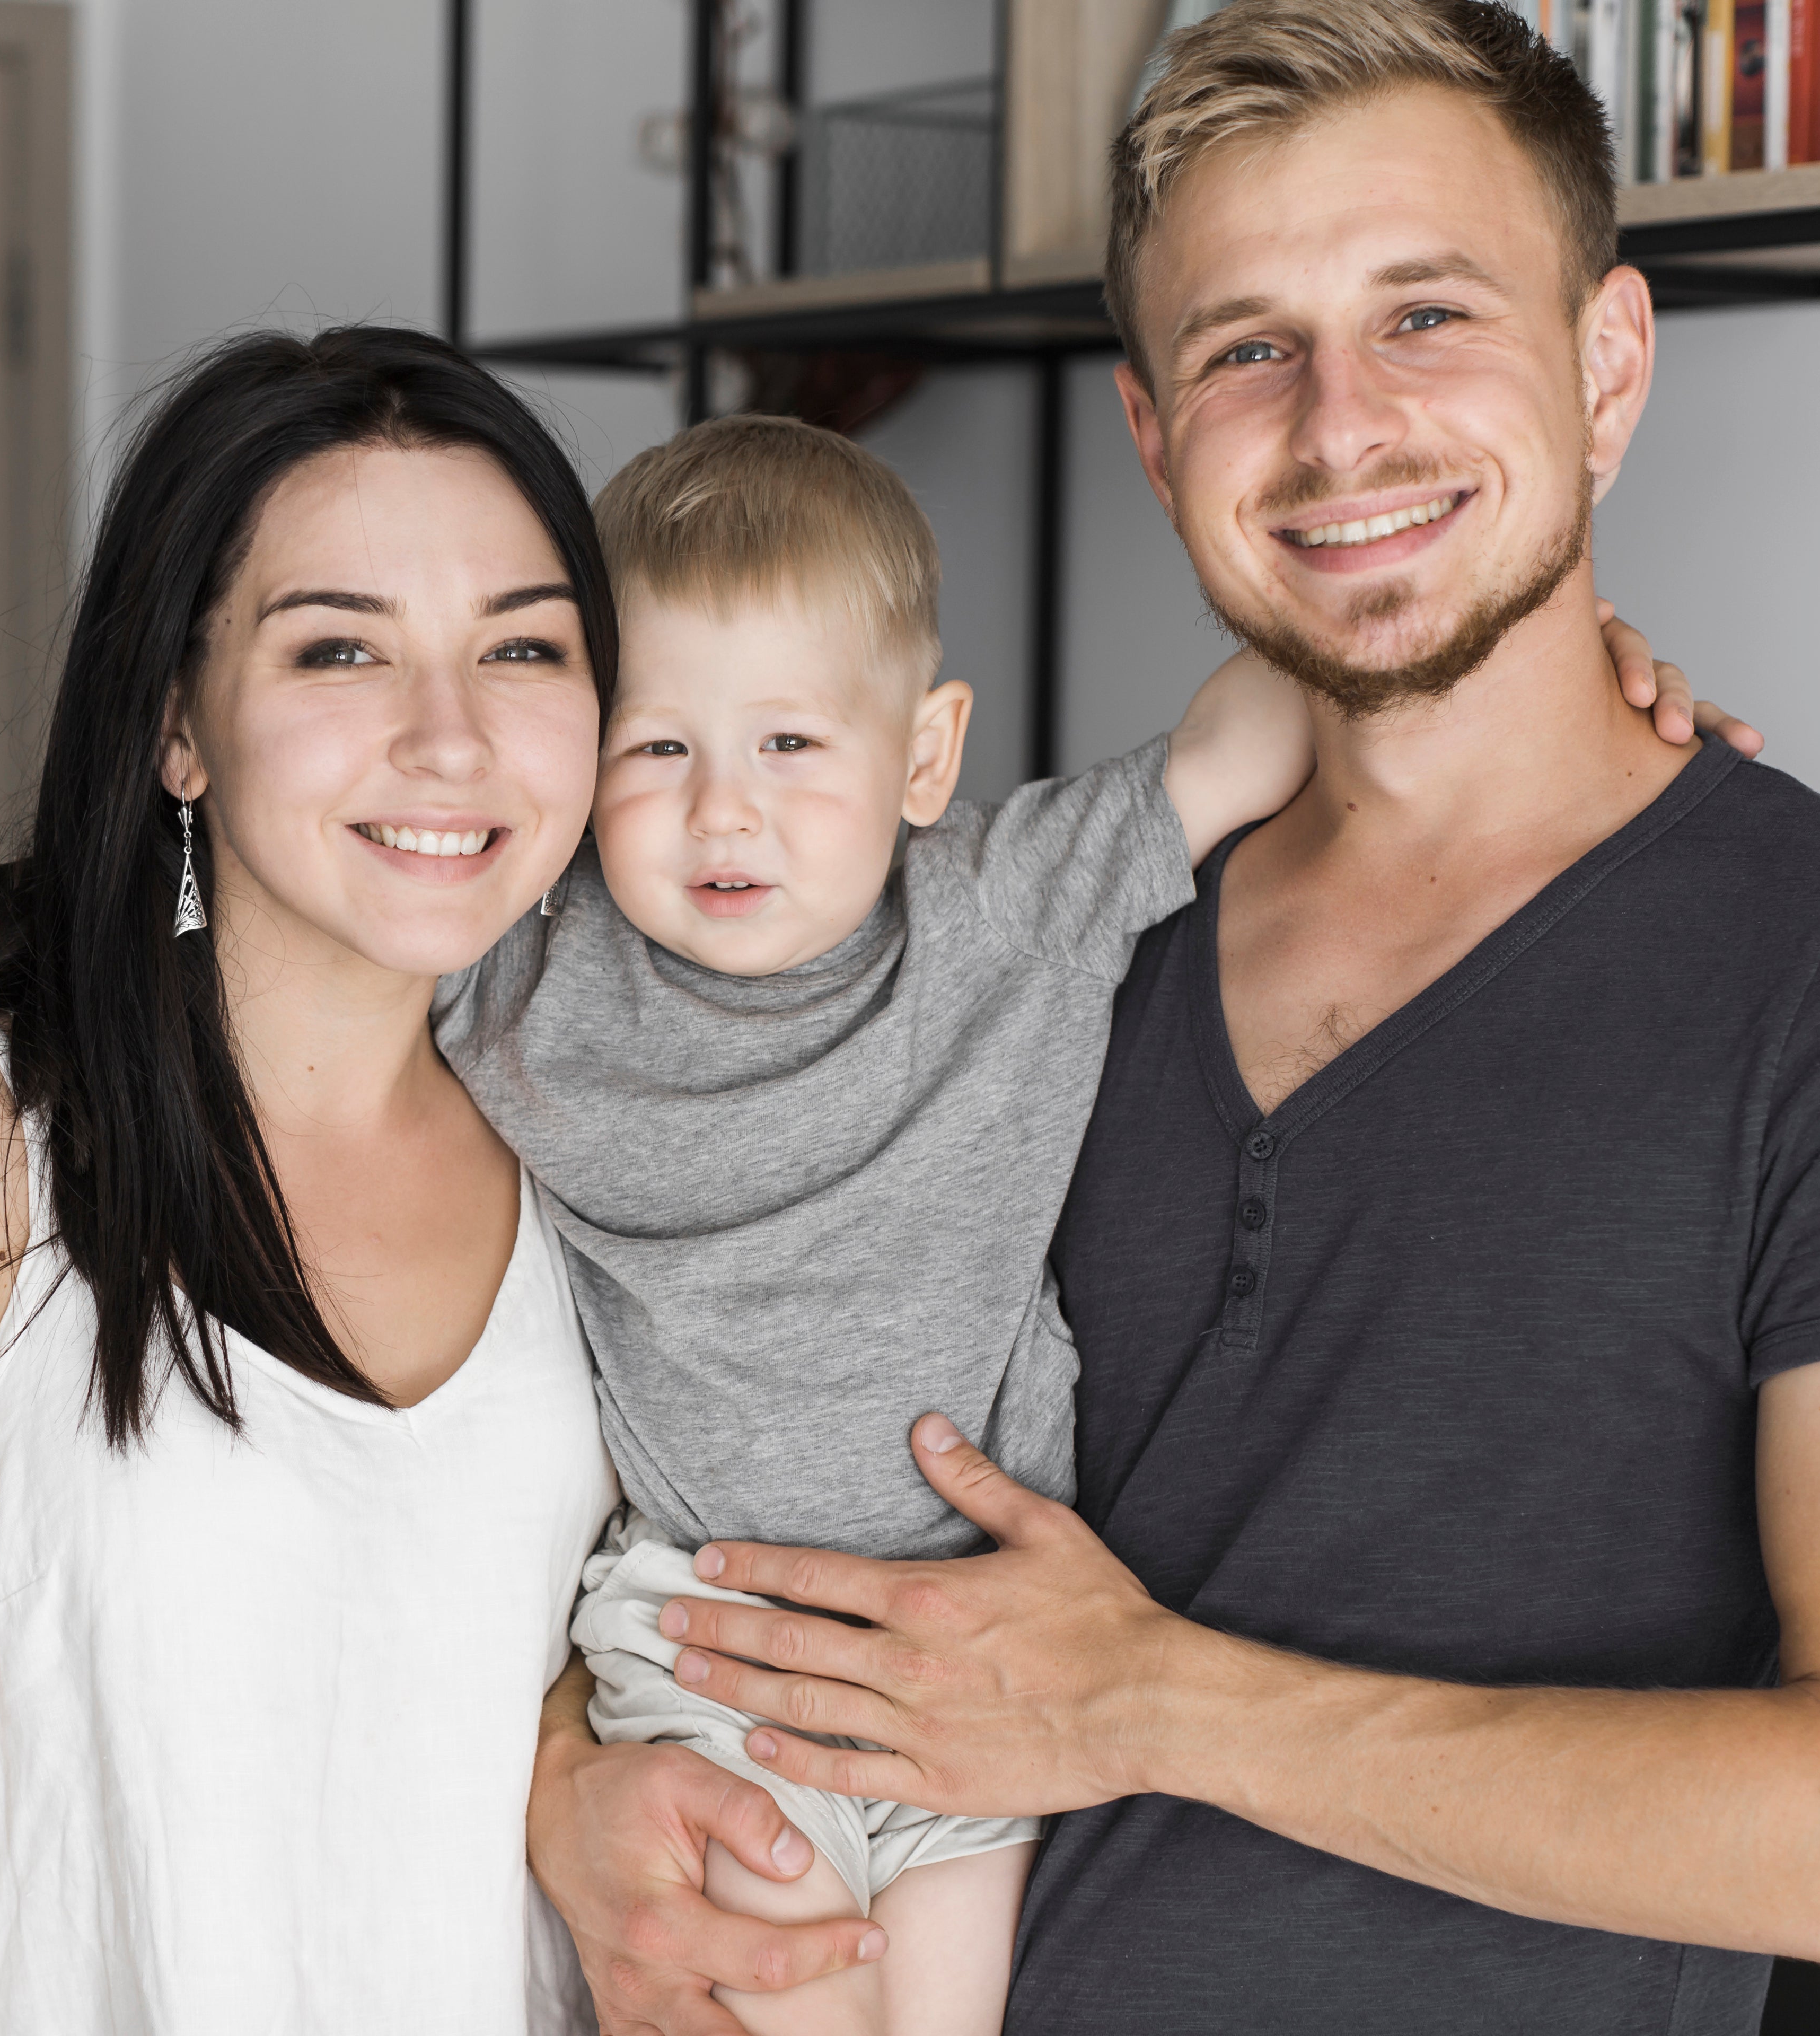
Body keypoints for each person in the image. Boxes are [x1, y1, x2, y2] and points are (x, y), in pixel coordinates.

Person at [529, 4, 1820, 2034]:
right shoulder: (1019, 946)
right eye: (1246, 347)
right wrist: (564, 1790)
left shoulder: (1799, 967)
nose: (1338, 426)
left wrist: (1159, 1707)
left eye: (1426, 315)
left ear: (1606, 368)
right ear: (1154, 439)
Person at [433, 410, 1323, 2036]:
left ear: (922, 756)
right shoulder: (530, 979)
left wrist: (1546, 654)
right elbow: (273, 923)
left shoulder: (1001, 905)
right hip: (713, 1652)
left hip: (986, 1654)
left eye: (789, 746)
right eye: (656, 749)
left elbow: (1248, 737)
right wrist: (25, 931)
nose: (723, 813)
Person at [0, 326, 624, 2033]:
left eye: (523, 648)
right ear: (180, 723)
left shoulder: (611, 1161)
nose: (452, 738)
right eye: (341, 652)